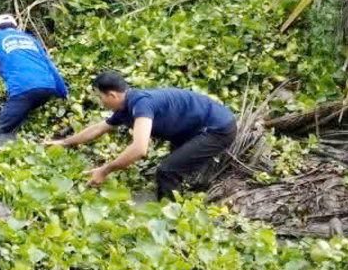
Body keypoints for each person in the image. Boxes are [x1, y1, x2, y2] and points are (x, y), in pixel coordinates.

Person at [48, 71, 237, 200]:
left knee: (167, 170)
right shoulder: (125, 107)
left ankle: (171, 221)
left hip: (217, 128)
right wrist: (64, 143)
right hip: (192, 128)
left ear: (112, 95)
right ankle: (184, 194)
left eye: (100, 96)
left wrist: (104, 170)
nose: (101, 101)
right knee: (175, 165)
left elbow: (139, 148)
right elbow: (99, 128)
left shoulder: (141, 103)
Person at [0, 14, 68, 146]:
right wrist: (64, 94)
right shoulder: (31, 39)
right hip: (49, 87)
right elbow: (51, 68)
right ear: (15, 27)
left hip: (23, 90)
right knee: (19, 118)